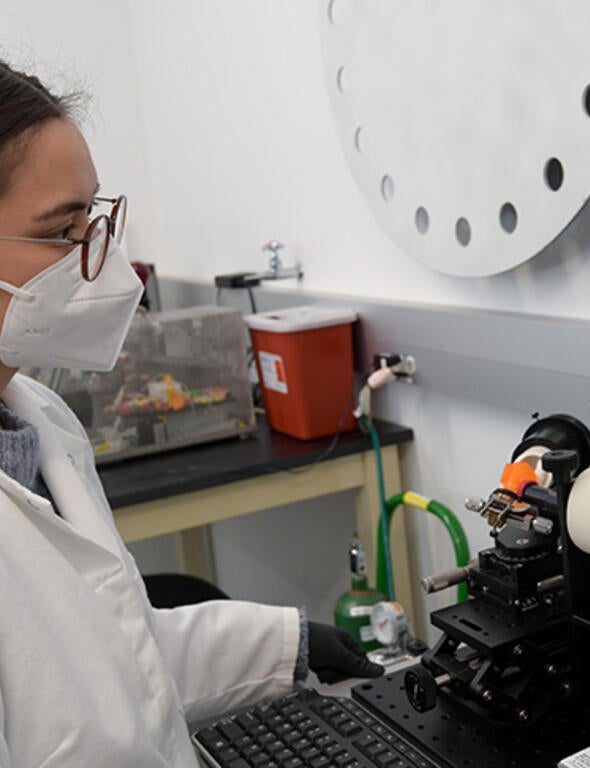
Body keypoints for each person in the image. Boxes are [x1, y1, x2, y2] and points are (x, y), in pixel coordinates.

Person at [0, 60, 383, 767]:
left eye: (97, 216)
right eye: (63, 230)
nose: (103, 259)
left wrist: (292, 643)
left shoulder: (39, 421)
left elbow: (117, 659)